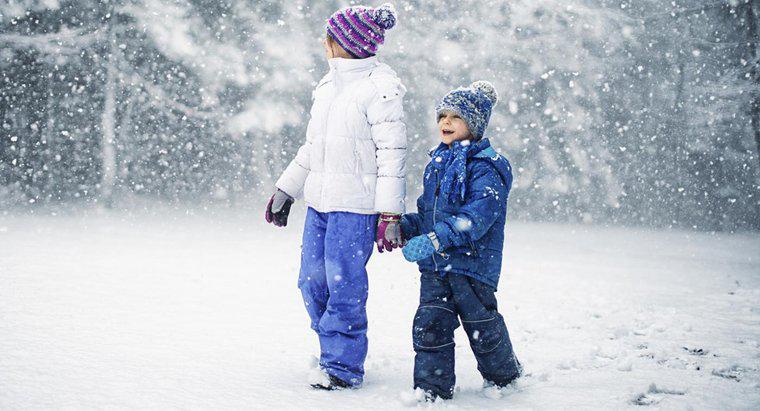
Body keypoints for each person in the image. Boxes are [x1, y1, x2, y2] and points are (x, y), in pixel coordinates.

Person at [265, 3, 407, 390]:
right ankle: (331, 347)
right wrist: (286, 189)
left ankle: (342, 366)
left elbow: (392, 156)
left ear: (345, 42)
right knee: (311, 281)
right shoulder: (328, 86)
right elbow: (313, 147)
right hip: (320, 203)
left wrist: (390, 214)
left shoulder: (379, 89)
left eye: (328, 37)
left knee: (344, 284)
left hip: (356, 208)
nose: (323, 43)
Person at [400, 81, 521, 401]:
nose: (446, 122)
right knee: (430, 324)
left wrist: (436, 239)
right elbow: (430, 213)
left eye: (456, 116)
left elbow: (477, 216)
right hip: (437, 266)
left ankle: (504, 377)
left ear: (475, 124)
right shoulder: (437, 164)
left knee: (481, 325)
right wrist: (405, 227)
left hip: (472, 263)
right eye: (442, 115)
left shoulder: (486, 167)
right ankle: (431, 388)